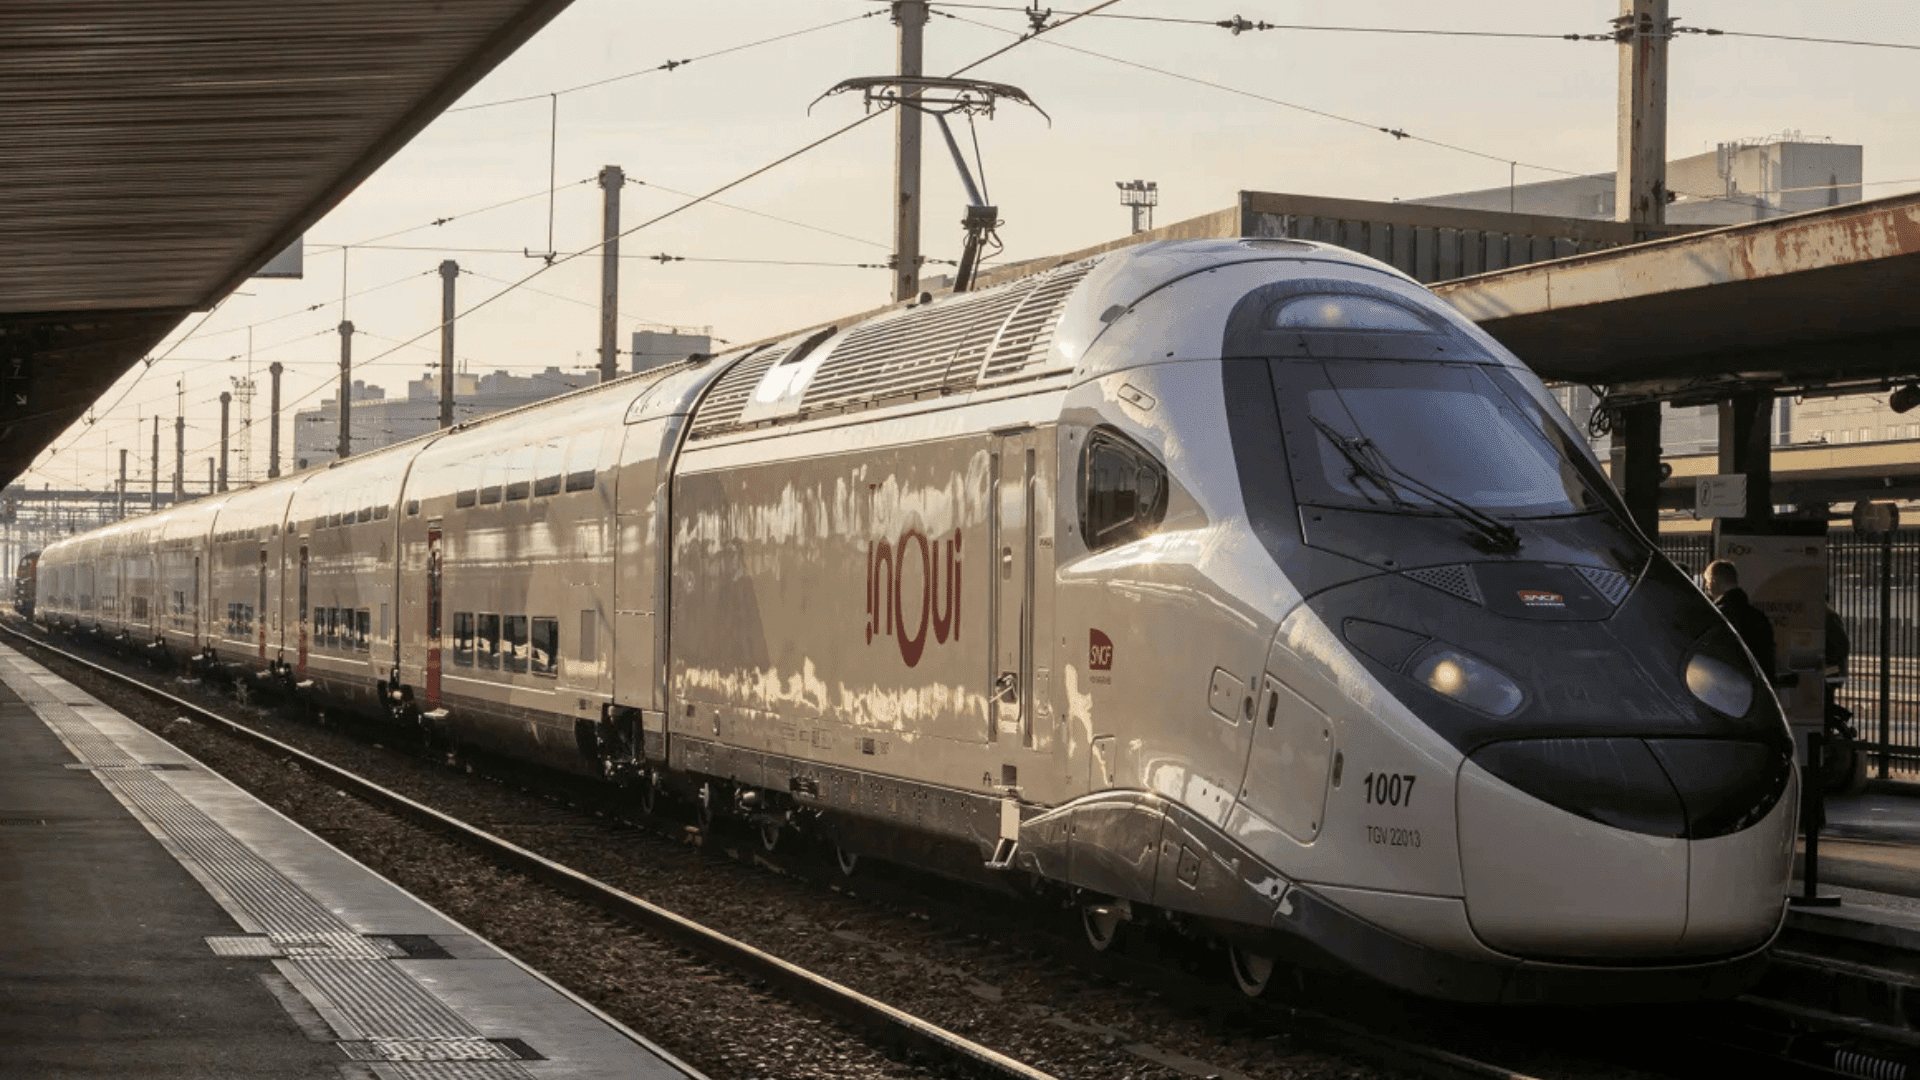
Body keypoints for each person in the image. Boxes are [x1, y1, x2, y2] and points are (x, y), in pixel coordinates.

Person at [1705, 559, 1777, 678]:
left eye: (1707, 581)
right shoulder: (1758, 616)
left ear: (1714, 580)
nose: (1706, 586)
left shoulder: (1720, 617)